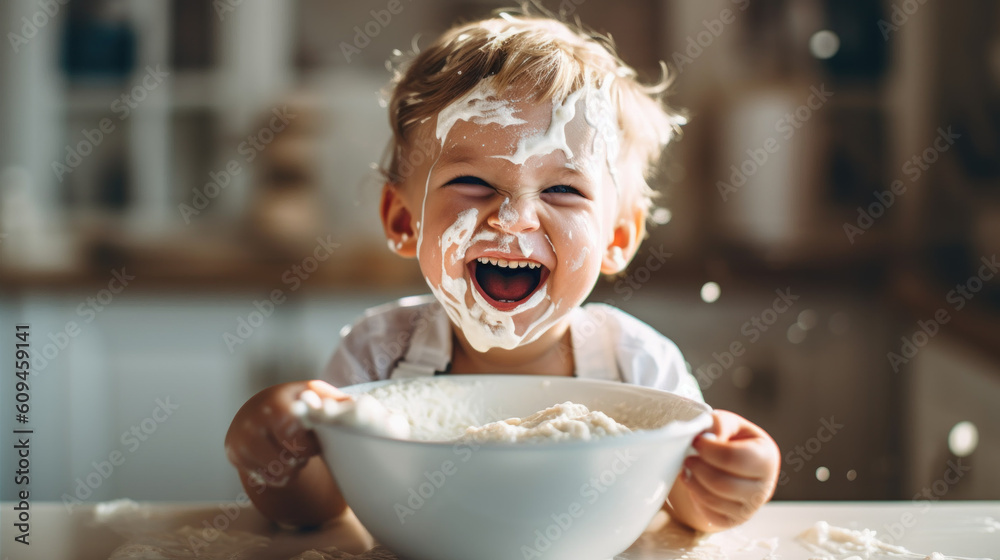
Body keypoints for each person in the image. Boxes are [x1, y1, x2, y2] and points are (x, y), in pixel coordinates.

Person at [226, 12, 780, 533]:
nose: (512, 218)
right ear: (402, 220)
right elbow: (318, 507)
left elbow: (687, 505)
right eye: (472, 183)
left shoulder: (634, 363)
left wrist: (731, 477)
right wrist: (276, 457)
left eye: (563, 190)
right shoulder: (378, 356)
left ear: (616, 238)